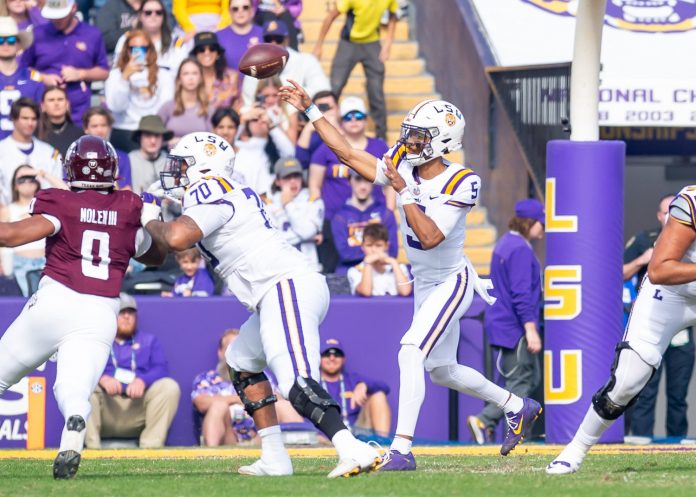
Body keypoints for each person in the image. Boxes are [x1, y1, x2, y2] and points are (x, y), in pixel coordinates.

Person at [280, 80, 542, 470]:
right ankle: (516, 405)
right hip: (425, 280)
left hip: (452, 280)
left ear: (443, 141)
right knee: (441, 370)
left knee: (410, 352)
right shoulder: (404, 160)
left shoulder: (464, 180)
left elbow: (431, 236)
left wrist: (404, 192)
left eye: (421, 137)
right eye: (411, 134)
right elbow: (351, 155)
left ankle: (401, 450)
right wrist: (311, 112)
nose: (411, 142)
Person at [142, 131, 380, 477]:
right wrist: (149, 223)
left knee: (296, 383)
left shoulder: (210, 188)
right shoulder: (213, 193)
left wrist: (151, 216)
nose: (176, 173)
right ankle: (274, 456)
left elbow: (176, 238)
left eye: (183, 165)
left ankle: (351, 448)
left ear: (203, 168)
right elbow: (159, 250)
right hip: (276, 292)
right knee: (240, 361)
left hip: (284, 285)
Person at [0, 135, 165, 479]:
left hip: (55, 299)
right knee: (73, 388)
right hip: (100, 311)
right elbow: (156, 256)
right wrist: (152, 220)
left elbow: (11, 236)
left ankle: (75, 419)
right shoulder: (129, 207)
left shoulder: (60, 202)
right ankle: (74, 421)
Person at [546, 185, 696, 474]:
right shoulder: (690, 201)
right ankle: (575, 449)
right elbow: (660, 269)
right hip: (671, 293)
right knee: (627, 381)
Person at [467, 199, 544, 444]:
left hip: (504, 323)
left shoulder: (507, 243)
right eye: (541, 222)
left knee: (528, 379)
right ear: (529, 223)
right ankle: (484, 420)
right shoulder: (519, 248)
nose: (544, 228)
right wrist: (530, 329)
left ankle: (489, 422)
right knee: (520, 380)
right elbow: (521, 294)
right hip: (514, 326)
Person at [85, 293, 181, 449]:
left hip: (137, 407)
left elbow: (161, 368)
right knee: (85, 386)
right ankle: (92, 448)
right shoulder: (98, 341)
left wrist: (143, 380)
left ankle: (151, 447)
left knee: (169, 386)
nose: (127, 317)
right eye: (121, 313)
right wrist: (103, 378)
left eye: (130, 313)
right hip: (108, 408)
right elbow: (85, 368)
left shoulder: (148, 340)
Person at [309, 96, 391, 273]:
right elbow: (314, 185)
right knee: (333, 271)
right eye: (348, 116)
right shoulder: (326, 148)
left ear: (366, 119)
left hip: (372, 220)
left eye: (358, 115)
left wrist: (389, 212)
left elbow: (390, 184)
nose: (353, 120)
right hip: (332, 220)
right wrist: (317, 220)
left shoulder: (379, 146)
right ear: (341, 121)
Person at [313, 0, 398, 140]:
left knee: (376, 91)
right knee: (335, 86)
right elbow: (331, 16)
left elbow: (393, 15)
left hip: (372, 43)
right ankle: (322, 132)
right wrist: (319, 45)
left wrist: (388, 43)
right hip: (349, 43)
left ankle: (382, 137)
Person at [21, 0, 109, 123]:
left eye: (61, 16)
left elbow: (104, 71)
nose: (57, 20)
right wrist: (42, 77)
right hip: (44, 109)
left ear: (73, 8)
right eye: (53, 16)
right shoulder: (37, 34)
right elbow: (23, 70)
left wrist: (80, 74)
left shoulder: (92, 34)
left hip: (79, 111)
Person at [0, 164, 67, 295]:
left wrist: (43, 173)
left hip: (47, 263)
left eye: (30, 178)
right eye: (21, 179)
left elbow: (70, 195)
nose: (26, 182)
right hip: (19, 265)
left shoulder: (48, 205)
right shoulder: (7, 210)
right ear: (15, 184)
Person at [105, 29, 175, 151]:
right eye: (133, 49)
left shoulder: (164, 75)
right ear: (126, 50)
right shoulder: (115, 75)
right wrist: (124, 77)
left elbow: (165, 108)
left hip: (153, 130)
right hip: (124, 130)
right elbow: (116, 107)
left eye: (144, 49)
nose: (138, 53)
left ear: (150, 50)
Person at [241, 19, 329, 113]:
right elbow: (248, 103)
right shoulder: (254, 67)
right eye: (268, 39)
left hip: (300, 118)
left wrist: (291, 104)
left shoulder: (307, 61)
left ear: (287, 40)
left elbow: (323, 92)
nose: (273, 43)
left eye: (278, 39)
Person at [192, 328, 257, 446]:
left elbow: (277, 399)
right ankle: (212, 458)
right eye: (231, 347)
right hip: (227, 439)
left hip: (259, 439)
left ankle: (298, 453)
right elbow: (200, 403)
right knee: (219, 405)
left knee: (279, 406)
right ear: (220, 352)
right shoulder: (207, 378)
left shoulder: (260, 377)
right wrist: (239, 399)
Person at [319, 338, 392, 437]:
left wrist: (364, 385)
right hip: (323, 433)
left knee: (378, 396)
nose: (332, 358)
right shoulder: (313, 380)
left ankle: (383, 444)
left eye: (337, 354)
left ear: (343, 359)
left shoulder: (352, 379)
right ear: (319, 358)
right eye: (327, 354)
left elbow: (385, 387)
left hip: (354, 432)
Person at [264, 157, 323, 272]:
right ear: (278, 181)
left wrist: (288, 204)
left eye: (296, 176)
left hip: (309, 268)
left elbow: (306, 232)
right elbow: (270, 242)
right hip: (279, 269)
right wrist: (307, 236)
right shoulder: (268, 203)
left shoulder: (313, 200)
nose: (293, 181)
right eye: (287, 177)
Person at [0, 98, 62, 204]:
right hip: (9, 216)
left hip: (44, 215)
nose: (30, 123)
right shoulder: (2, 150)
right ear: (14, 119)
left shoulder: (50, 152)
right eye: (25, 118)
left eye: (33, 119)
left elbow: (60, 190)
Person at [332, 170, 398, 270]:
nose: (363, 186)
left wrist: (365, 251)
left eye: (367, 180)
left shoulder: (385, 213)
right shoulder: (340, 217)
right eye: (358, 180)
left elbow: (392, 251)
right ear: (349, 180)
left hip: (379, 270)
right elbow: (344, 253)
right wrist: (378, 251)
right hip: (348, 272)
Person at [112, 0, 190, 74]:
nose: (153, 16)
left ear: (164, 16)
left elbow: (183, 73)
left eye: (158, 12)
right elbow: (116, 73)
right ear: (140, 16)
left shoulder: (176, 42)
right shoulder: (126, 39)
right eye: (148, 13)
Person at [0, 17, 44, 140]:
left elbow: (40, 118)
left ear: (19, 44)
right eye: (0, 40)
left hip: (26, 146)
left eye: (11, 40)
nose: (5, 44)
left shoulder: (34, 78)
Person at [235, 104, 294, 196]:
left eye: (262, 118)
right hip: (245, 197)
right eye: (254, 119)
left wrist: (270, 123)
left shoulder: (276, 147)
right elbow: (227, 142)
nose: (260, 121)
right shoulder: (240, 146)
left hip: (271, 200)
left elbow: (290, 153)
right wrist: (242, 120)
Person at [157, 57, 212, 147]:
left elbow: (213, 142)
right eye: (186, 73)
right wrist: (168, 142)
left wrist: (184, 141)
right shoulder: (167, 107)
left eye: (194, 73)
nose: (190, 78)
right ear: (179, 79)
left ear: (201, 78)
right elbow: (153, 138)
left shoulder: (208, 109)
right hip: (171, 158)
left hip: (200, 158)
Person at [347, 222, 410, 297]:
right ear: (362, 247)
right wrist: (368, 263)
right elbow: (366, 292)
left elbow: (405, 292)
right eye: (369, 245)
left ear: (386, 246)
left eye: (378, 245)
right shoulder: (355, 271)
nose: (374, 250)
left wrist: (394, 263)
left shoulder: (399, 267)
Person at [82, 107, 132, 190]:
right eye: (95, 126)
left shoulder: (122, 157)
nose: (100, 130)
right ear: (86, 129)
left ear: (110, 128)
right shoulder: (76, 157)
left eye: (103, 125)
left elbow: (127, 190)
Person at [191, 31, 239, 109]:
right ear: (196, 55)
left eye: (212, 49)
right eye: (201, 50)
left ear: (218, 54)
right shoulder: (190, 79)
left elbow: (236, 108)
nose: (207, 53)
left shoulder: (231, 77)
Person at [295, 90, 340, 169]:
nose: (325, 113)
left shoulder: (349, 127)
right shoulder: (311, 133)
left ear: (338, 109)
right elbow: (300, 163)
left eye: (329, 108)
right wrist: (308, 129)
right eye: (320, 110)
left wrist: (336, 129)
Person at [128, 114, 172, 194]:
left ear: (163, 138)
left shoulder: (170, 161)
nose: (153, 141)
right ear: (139, 137)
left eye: (157, 135)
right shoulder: (129, 160)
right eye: (147, 135)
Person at [215, 0, 262, 72]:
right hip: (229, 82)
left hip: (258, 82)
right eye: (235, 9)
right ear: (229, 12)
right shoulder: (218, 36)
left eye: (245, 7)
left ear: (252, 10)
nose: (240, 11)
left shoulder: (263, 33)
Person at [37, 86, 84, 158]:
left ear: (67, 104)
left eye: (60, 99)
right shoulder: (35, 134)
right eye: (51, 100)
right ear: (43, 106)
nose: (56, 103)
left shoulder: (80, 135)